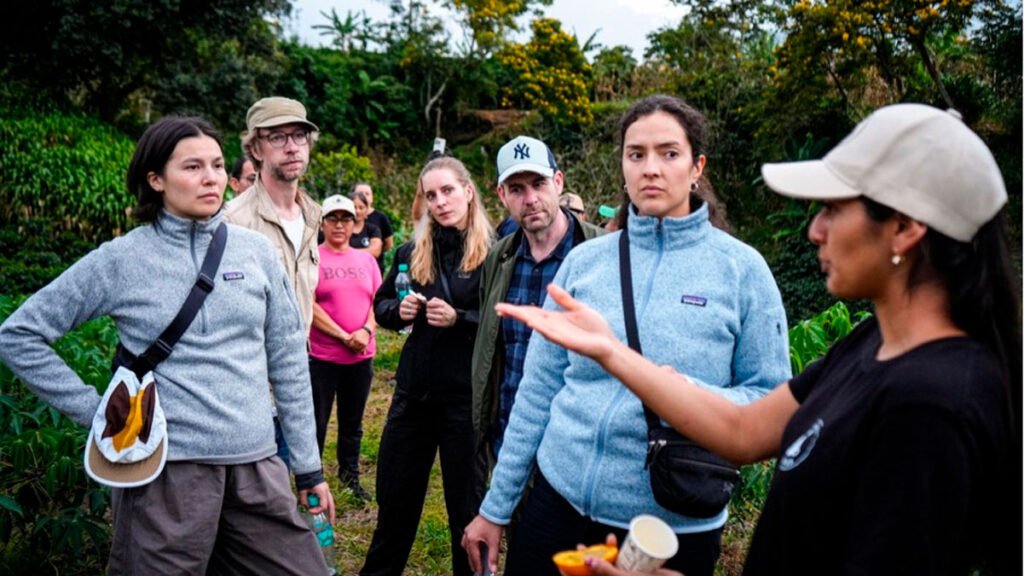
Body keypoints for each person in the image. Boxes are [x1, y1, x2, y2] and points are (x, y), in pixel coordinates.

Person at [496, 104, 1019, 576]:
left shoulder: (931, 405)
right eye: (636, 153)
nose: (815, 230)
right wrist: (610, 351)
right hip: (559, 509)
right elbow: (746, 431)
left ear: (905, 229)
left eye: (833, 208)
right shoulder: (866, 348)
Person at [463, 95, 792, 576]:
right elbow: (536, 396)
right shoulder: (585, 263)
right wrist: (496, 508)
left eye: (669, 153)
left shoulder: (742, 271)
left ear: (697, 166)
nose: (651, 169)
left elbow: (769, 400)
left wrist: (682, 390)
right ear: (622, 166)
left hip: (666, 525)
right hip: (557, 507)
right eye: (636, 154)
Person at [0, 117, 334, 574]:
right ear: (155, 179)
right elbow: (19, 334)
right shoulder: (122, 259)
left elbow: (289, 362)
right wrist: (97, 412)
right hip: (167, 475)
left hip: (257, 466)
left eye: (217, 165)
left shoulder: (256, 252)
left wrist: (309, 468)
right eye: (192, 166)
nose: (212, 177)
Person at [361, 156, 492, 576]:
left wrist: (460, 319)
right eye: (431, 195)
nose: (439, 202)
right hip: (413, 397)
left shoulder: (493, 253)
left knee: (465, 513)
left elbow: (503, 319)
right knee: (395, 504)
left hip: (464, 402)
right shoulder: (411, 250)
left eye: (448, 191)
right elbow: (380, 306)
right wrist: (399, 311)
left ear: (468, 192)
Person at [471, 136, 604, 488]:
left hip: (579, 446)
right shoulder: (498, 260)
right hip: (510, 436)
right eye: (516, 189)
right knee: (520, 541)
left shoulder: (599, 254)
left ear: (558, 183)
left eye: (538, 184)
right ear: (502, 196)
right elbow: (493, 351)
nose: (529, 199)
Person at [225, 96, 322, 467]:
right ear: (255, 148)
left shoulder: (313, 216)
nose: (292, 146)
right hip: (251, 399)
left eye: (299, 135)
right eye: (277, 137)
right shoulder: (233, 222)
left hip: (295, 389)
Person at [309, 194, 381, 504]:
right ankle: (311, 480)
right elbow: (307, 303)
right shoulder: (312, 258)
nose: (339, 225)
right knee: (316, 421)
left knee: (353, 422)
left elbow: (379, 300)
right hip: (323, 356)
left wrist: (365, 330)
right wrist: (342, 335)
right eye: (333, 219)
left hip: (361, 356)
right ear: (322, 223)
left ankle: (350, 477)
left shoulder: (366, 260)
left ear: (355, 224)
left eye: (346, 219)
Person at [353, 182, 395, 271]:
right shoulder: (346, 221)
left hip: (374, 267)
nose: (363, 196)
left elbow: (389, 244)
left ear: (372, 198)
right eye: (360, 193)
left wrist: (375, 248)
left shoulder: (380, 218)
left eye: (367, 194)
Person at [349, 189, 384, 260]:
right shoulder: (341, 229)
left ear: (367, 209)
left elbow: (375, 251)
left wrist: (348, 253)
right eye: (354, 207)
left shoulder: (373, 230)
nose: (357, 211)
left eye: (361, 208)